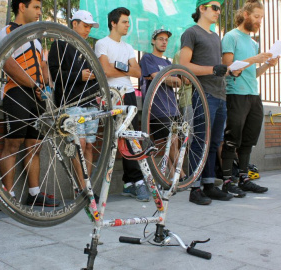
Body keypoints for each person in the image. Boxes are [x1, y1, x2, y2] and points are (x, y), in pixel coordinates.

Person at [0, 0, 60, 206]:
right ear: (22, 7)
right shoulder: (7, 31)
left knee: (34, 145)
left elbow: (42, 64)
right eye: (36, 7)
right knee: (12, 144)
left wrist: (46, 86)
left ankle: (34, 194)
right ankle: (8, 195)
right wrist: (34, 84)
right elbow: (8, 63)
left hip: (37, 95)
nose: (40, 12)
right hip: (16, 92)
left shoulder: (37, 39)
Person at [180, 0, 235, 205]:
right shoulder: (191, 33)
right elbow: (184, 65)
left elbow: (217, 67)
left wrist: (229, 70)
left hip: (220, 95)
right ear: (201, 8)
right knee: (201, 140)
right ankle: (195, 189)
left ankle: (209, 185)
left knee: (213, 142)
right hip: (203, 94)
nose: (218, 11)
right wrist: (213, 69)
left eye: (220, 8)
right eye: (214, 7)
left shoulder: (215, 37)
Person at [220, 0, 278, 194]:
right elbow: (228, 67)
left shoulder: (254, 43)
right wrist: (254, 59)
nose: (259, 21)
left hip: (254, 95)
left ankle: (244, 178)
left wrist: (266, 65)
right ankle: (228, 181)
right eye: (256, 16)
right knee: (232, 137)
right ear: (245, 14)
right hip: (236, 94)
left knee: (249, 139)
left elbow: (252, 72)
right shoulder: (231, 37)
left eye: (261, 17)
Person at [95, 7, 149, 202]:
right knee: (115, 140)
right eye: (125, 22)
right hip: (111, 96)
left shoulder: (127, 47)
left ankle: (133, 182)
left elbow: (138, 72)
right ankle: (129, 182)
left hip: (129, 94)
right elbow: (105, 70)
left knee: (131, 137)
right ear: (113, 23)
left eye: (128, 21)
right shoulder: (102, 43)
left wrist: (120, 68)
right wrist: (125, 69)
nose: (128, 25)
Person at [48, 10, 100, 193]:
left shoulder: (88, 47)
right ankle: (82, 187)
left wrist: (95, 86)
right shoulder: (59, 45)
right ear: (74, 23)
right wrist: (80, 75)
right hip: (70, 102)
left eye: (90, 27)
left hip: (90, 102)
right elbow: (54, 74)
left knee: (89, 145)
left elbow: (95, 75)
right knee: (79, 143)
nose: (88, 30)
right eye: (85, 26)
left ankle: (87, 186)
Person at [139, 28, 187, 184]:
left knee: (174, 142)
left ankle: (174, 176)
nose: (163, 42)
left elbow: (179, 82)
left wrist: (165, 78)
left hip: (172, 107)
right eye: (160, 39)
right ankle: (182, 174)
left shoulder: (167, 62)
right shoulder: (148, 59)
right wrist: (168, 78)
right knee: (170, 142)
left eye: (166, 39)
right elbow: (155, 77)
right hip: (157, 108)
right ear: (153, 41)